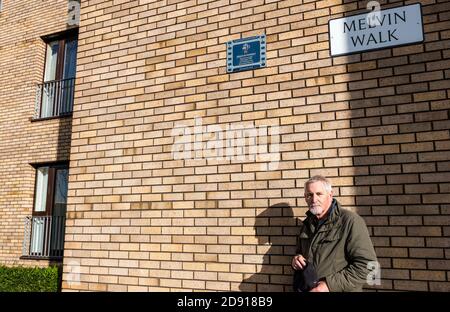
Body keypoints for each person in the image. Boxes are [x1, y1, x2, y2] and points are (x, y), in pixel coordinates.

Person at [291, 175, 377, 292]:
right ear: (305, 197)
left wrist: (328, 285)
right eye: (309, 195)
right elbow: (301, 252)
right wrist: (297, 259)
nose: (314, 199)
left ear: (330, 195)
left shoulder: (350, 221)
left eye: (319, 194)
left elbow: (368, 266)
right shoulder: (307, 224)